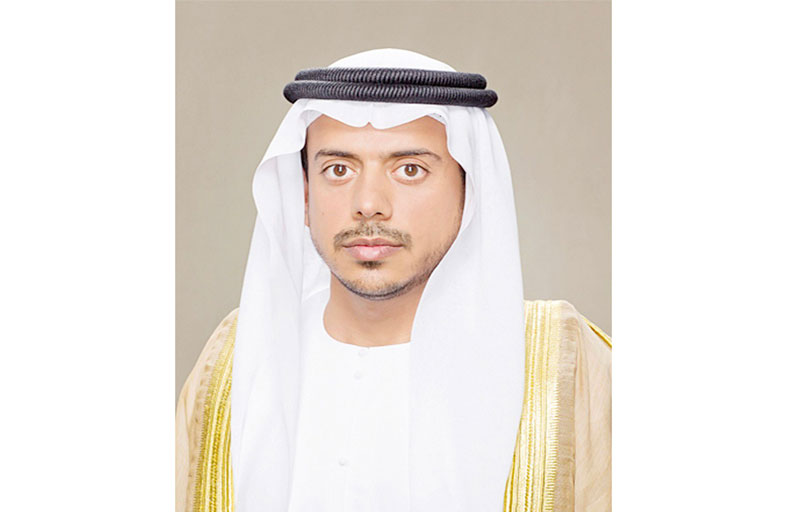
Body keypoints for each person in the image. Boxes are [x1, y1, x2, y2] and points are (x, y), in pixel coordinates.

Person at [176, 48, 611, 512]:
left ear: (470, 192)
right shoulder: (234, 359)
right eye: (338, 170)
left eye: (410, 170)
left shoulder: (562, 363)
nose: (369, 203)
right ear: (303, 195)